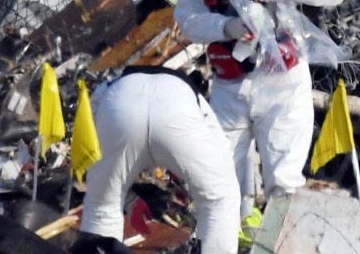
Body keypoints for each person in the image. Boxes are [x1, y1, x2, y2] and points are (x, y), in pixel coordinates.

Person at [174, 0, 346, 218]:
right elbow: (186, 19)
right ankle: (238, 241)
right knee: (221, 181)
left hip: (283, 84)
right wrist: (225, 26)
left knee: (283, 181)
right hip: (229, 87)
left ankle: (279, 243)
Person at [80, 66, 241, 254]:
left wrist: (129, 199)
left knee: (102, 205)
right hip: (177, 111)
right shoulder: (195, 99)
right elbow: (224, 155)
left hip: (119, 104)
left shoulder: (107, 87)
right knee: (219, 200)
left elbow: (85, 156)